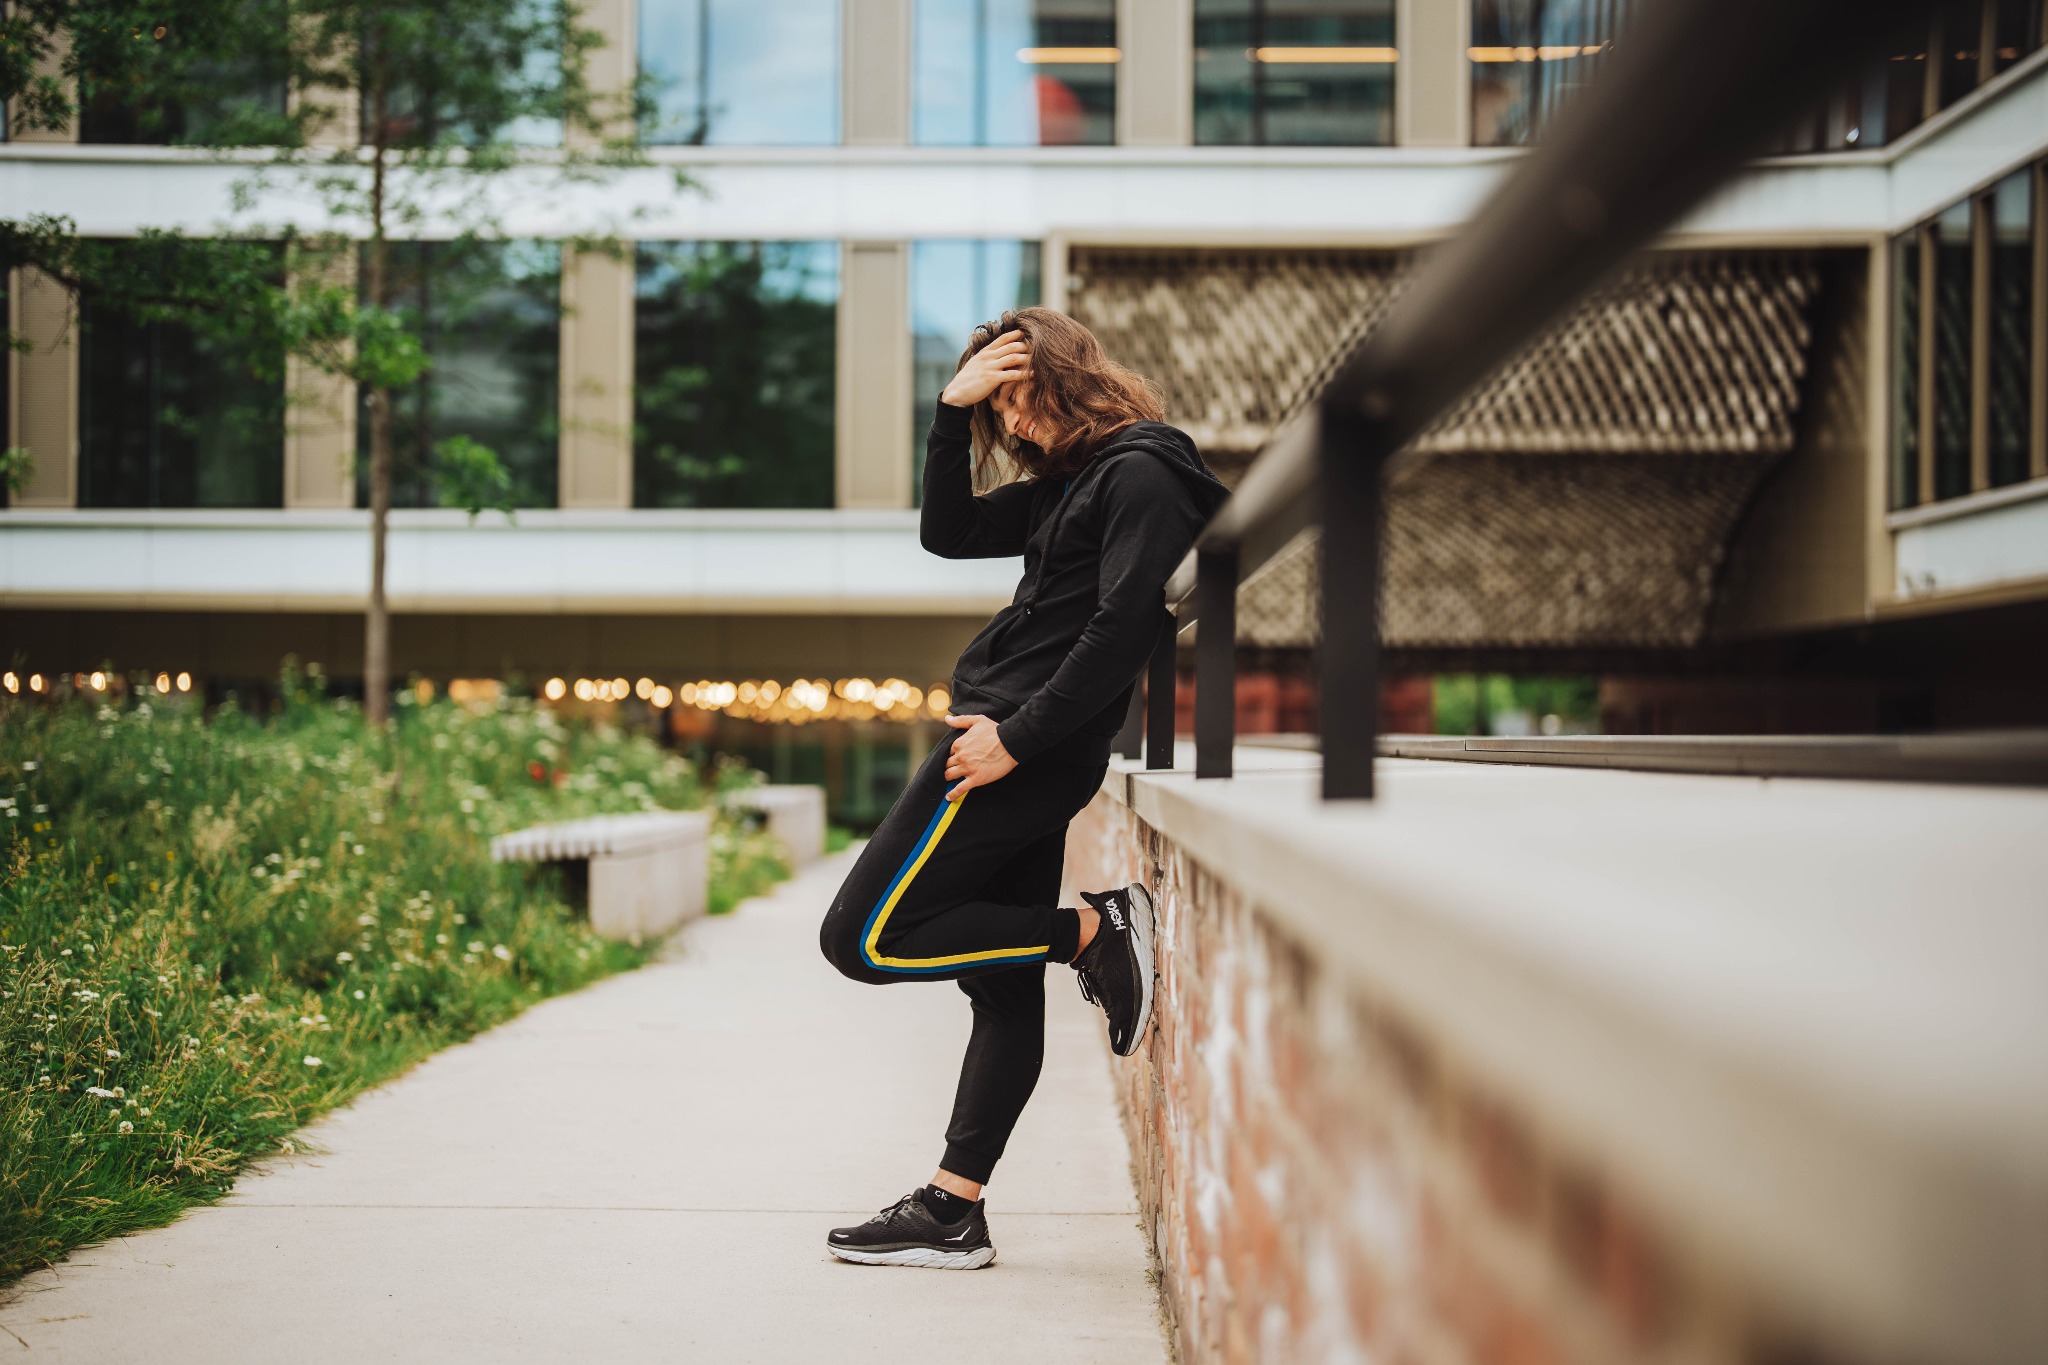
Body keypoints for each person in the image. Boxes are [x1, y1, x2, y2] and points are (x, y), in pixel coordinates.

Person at [818, 306, 1228, 1269]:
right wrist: (947, 415)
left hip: (1008, 749)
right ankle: (954, 1207)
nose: (1009, 418)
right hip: (1012, 742)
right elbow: (948, 532)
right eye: (992, 405)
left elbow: (1127, 624)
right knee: (1001, 994)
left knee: (864, 937)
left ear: (1065, 373)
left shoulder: (1140, 471)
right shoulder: (1071, 485)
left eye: (1013, 392)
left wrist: (1016, 739)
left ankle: (1093, 930)